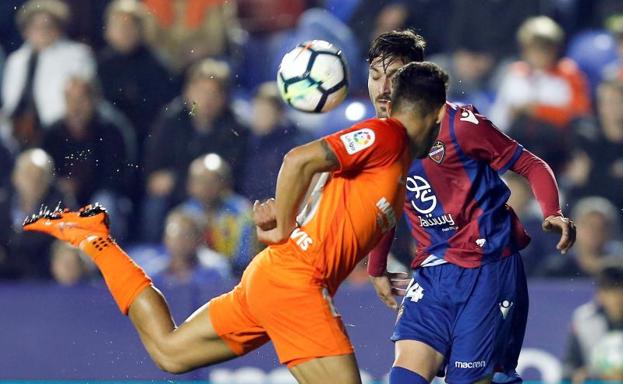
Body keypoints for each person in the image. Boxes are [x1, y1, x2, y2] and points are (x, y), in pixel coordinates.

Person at [22, 61, 448, 383]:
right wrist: (284, 222)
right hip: (297, 281)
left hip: (274, 278)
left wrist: (375, 268)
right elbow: (300, 159)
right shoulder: (387, 136)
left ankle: (97, 239)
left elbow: (343, 198)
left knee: (170, 354)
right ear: (434, 114)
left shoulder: (393, 169)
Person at [365, 30, 577, 383]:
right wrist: (376, 268)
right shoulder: (375, 139)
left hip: (488, 268)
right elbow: (386, 206)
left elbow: (531, 165)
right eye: (375, 76)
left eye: (395, 75)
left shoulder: (460, 125)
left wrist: (551, 211)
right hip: (433, 273)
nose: (383, 87)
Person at [1, 0, 96, 147]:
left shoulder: (77, 55)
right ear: (26, 31)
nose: (42, 31)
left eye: (48, 26)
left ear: (58, 28)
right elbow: (9, 103)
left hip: (58, 133)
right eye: (36, 26)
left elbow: (85, 98)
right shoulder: (16, 60)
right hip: (18, 132)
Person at [179, 153, 258, 276]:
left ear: (225, 184)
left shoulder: (243, 213)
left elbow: (245, 259)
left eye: (212, 181)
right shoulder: (183, 215)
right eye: (200, 181)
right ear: (190, 185)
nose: (206, 187)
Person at [563, 261, 623, 382]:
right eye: (609, 291)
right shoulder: (583, 319)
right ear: (599, 294)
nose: (615, 298)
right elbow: (569, 365)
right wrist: (578, 374)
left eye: (619, 291)